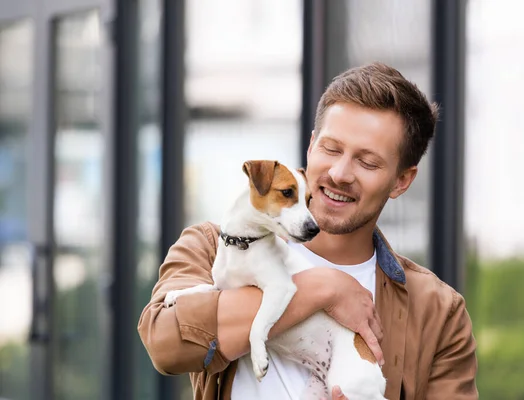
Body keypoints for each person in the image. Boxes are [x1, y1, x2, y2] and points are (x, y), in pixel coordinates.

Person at [138, 62, 478, 400]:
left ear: (402, 180)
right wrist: (322, 287)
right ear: (311, 146)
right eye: (331, 149)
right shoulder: (213, 246)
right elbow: (166, 343)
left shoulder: (437, 312)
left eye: (368, 161)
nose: (340, 172)